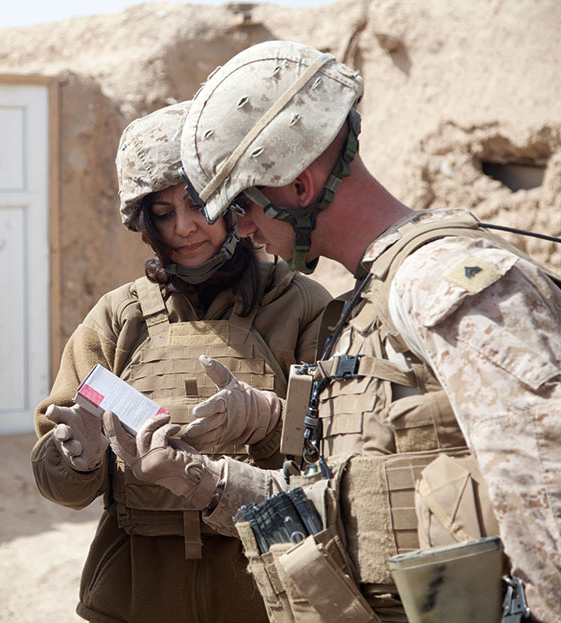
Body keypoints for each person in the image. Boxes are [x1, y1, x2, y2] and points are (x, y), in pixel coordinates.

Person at [103, 40, 561, 622]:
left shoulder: (445, 287)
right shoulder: (361, 308)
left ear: (297, 187)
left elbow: (548, 510)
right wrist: (200, 479)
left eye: (242, 205)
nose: (239, 229)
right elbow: (340, 510)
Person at [31, 101, 332, 623]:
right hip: (136, 595)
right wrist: (79, 457)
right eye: (163, 214)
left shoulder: (301, 305)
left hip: (266, 593)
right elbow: (59, 480)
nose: (185, 228)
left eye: (199, 205)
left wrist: (266, 420)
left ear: (234, 202)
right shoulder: (120, 315)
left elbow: (337, 458)